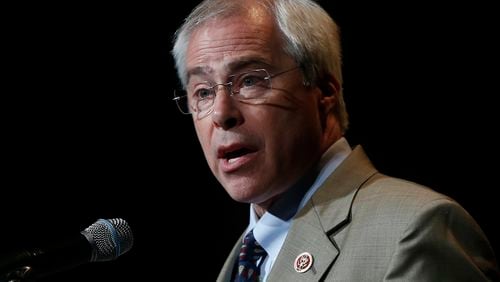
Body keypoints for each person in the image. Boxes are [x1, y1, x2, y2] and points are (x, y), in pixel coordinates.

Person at [171, 0, 500, 281]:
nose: (221, 114)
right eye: (203, 92)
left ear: (324, 91)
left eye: (251, 80)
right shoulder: (246, 258)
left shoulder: (413, 230)